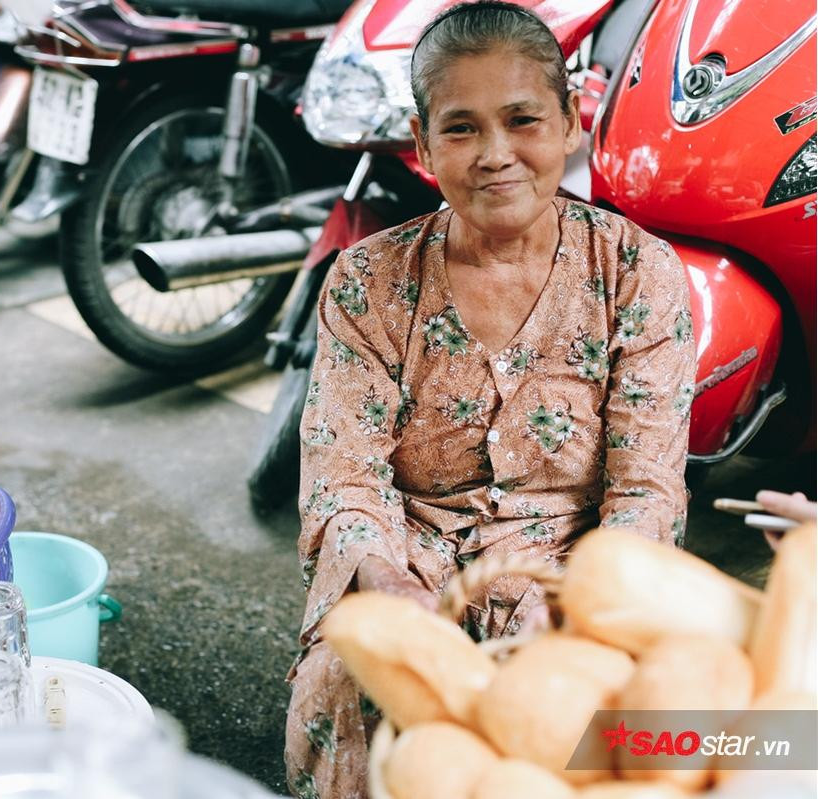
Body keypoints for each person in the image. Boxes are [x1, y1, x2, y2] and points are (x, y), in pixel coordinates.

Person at [283, 3, 698, 796]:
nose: (496, 155)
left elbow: (646, 488)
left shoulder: (637, 273)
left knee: (612, 718)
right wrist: (392, 584)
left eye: (522, 119)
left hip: (576, 563)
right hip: (414, 554)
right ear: (423, 141)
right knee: (348, 680)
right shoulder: (368, 283)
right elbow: (343, 476)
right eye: (462, 127)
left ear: (571, 121)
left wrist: (579, 610)